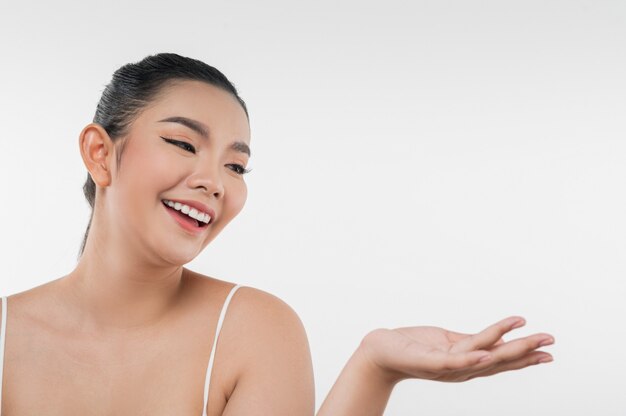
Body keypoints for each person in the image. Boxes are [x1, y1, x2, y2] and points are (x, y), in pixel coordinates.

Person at [0, 53, 554, 415]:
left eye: (235, 167)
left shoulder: (251, 330)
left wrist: (374, 365)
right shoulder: (7, 335)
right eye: (185, 144)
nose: (213, 182)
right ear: (100, 153)